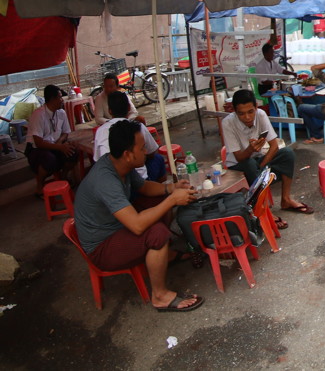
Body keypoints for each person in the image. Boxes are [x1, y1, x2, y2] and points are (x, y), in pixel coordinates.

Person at [73, 119, 203, 312]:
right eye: (142, 148)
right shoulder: (105, 180)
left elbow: (143, 187)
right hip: (102, 247)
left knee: (161, 200)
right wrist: (172, 199)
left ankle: (162, 255)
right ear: (127, 154)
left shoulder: (119, 164)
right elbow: (136, 225)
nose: (146, 151)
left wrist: (170, 188)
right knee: (157, 233)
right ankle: (159, 296)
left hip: (116, 227)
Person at [223, 89, 313, 214]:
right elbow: (239, 157)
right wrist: (250, 150)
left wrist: (261, 167)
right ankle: (263, 210)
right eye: (241, 114)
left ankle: (286, 199)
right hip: (239, 165)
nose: (247, 117)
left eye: (250, 111)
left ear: (256, 107)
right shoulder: (227, 123)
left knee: (287, 153)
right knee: (249, 164)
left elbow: (274, 146)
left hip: (257, 162)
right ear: (234, 111)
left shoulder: (260, 115)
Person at [93, 91, 165, 186]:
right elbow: (151, 152)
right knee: (157, 159)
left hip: (117, 181)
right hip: (126, 182)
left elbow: (97, 160)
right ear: (128, 108)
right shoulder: (136, 127)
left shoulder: (101, 131)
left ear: (110, 111)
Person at [26, 84, 78, 196]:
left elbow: (65, 132)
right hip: (37, 149)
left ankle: (63, 178)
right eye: (60, 97)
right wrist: (59, 147)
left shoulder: (61, 113)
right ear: (52, 99)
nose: (61, 100)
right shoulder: (38, 115)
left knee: (73, 152)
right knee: (49, 160)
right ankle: (39, 186)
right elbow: (38, 142)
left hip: (55, 144)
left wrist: (60, 142)